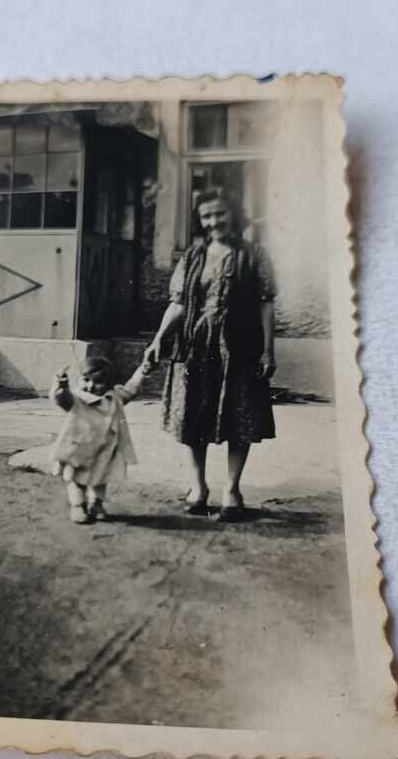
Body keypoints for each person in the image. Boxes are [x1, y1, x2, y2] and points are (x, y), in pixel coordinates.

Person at [145, 189, 276, 521]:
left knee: (240, 416)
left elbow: (265, 304)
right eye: (206, 216)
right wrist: (159, 339)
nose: (213, 221)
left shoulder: (254, 255)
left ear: (232, 214)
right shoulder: (192, 257)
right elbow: (178, 304)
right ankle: (198, 488)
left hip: (241, 345)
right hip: (196, 345)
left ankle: (232, 491)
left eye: (219, 213)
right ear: (199, 221)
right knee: (192, 416)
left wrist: (268, 350)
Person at [50, 354, 151, 524]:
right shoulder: (75, 398)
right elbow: (60, 398)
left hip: (103, 449)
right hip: (78, 449)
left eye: (98, 382)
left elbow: (131, 389)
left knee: (100, 479)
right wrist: (61, 383)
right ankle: (78, 506)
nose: (90, 386)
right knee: (76, 480)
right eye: (85, 379)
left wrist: (142, 371)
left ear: (108, 383)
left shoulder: (114, 397)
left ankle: (96, 505)